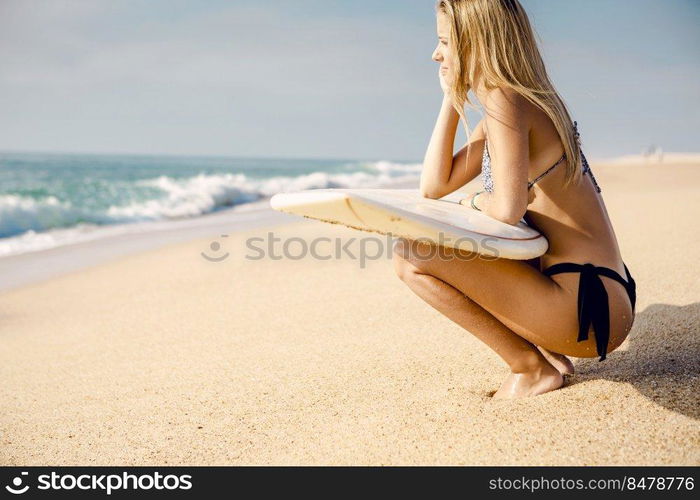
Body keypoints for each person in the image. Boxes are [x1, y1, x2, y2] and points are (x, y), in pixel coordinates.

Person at [392, 0, 636, 398]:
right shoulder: (519, 101)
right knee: (472, 246)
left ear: (475, 41)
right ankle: (549, 355)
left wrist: (473, 204)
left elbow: (507, 209)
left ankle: (531, 368)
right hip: (602, 299)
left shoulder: (505, 98)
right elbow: (435, 185)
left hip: (586, 307)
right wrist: (451, 98)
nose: (436, 54)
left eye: (444, 42)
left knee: (410, 254)